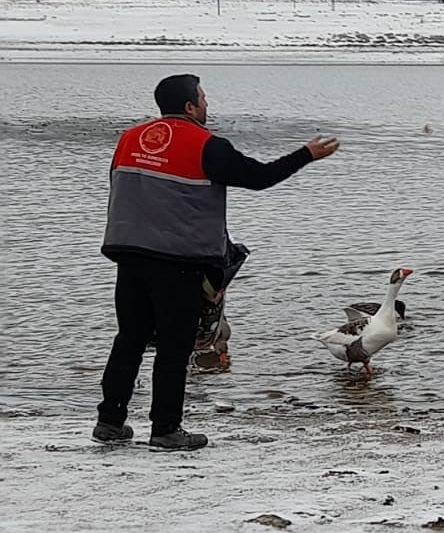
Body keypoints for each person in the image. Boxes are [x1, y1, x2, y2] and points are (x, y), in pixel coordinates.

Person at [94, 74, 339, 450]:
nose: (207, 104)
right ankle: (165, 430)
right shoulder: (206, 144)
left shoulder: (129, 139)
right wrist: (306, 154)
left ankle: (110, 422)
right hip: (177, 259)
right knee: (175, 346)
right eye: (204, 98)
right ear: (190, 107)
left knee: (130, 338)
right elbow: (259, 178)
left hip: (129, 252)